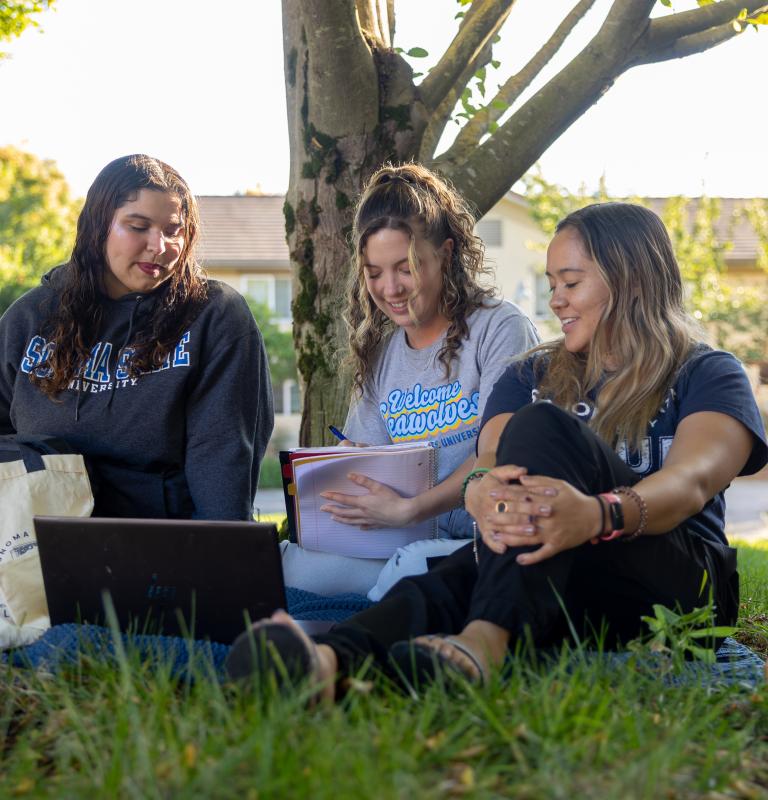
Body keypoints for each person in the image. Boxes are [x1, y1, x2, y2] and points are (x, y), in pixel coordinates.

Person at [226, 202, 767, 695]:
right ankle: (326, 666)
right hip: (569, 575)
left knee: (542, 429)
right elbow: (487, 463)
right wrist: (480, 492)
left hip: (680, 588)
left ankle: (486, 639)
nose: (555, 300)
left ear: (630, 279)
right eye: (552, 283)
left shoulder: (706, 372)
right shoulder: (530, 371)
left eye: (571, 283)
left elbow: (691, 482)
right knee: (457, 573)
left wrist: (599, 514)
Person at [280, 162, 539, 595]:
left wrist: (413, 510)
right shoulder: (381, 354)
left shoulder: (499, 327)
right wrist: (352, 463)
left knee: (408, 568)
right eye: (374, 272)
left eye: (406, 267)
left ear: (447, 253)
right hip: (399, 538)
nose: (390, 288)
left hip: (477, 541)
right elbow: (374, 466)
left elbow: (500, 453)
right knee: (287, 565)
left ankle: (369, 627)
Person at [0, 154, 273, 519]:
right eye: (138, 226)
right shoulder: (30, 319)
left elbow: (222, 457)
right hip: (38, 549)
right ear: (98, 227)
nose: (159, 246)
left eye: (174, 230)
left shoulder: (212, 316)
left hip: (163, 546)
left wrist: (217, 561)